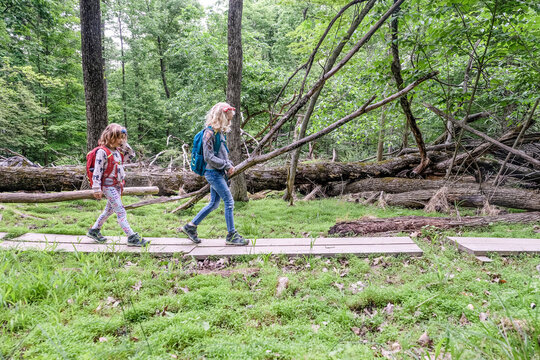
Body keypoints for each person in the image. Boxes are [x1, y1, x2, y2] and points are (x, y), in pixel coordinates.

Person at [182, 102, 249, 246]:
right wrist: (226, 165)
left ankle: (190, 227)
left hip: (219, 172)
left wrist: (228, 164)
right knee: (229, 202)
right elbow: (209, 157)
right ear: (222, 116)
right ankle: (231, 235)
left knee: (213, 203)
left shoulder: (219, 133)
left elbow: (222, 153)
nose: (230, 122)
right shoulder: (209, 133)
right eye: (229, 119)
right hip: (213, 173)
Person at [87, 123, 148, 247]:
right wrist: (96, 188)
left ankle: (94, 231)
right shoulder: (102, 152)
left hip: (117, 186)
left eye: (122, 138)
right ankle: (131, 237)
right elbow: (97, 171)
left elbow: (131, 155)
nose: (120, 140)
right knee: (121, 211)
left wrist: (124, 142)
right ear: (109, 137)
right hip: (108, 186)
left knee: (108, 211)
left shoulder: (117, 151)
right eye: (118, 137)